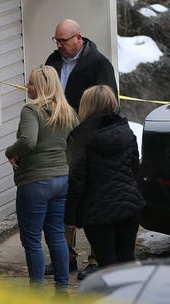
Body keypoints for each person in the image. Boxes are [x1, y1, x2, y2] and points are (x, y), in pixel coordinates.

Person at [44, 18, 118, 279]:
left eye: (63, 41)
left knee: (91, 199)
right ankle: (66, 258)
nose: (59, 45)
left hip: (88, 141)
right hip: (59, 140)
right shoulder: (52, 61)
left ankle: (97, 259)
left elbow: (109, 105)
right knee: (63, 200)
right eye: (56, 40)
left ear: (79, 38)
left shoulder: (98, 64)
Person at [5, 65, 78, 295]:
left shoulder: (31, 110)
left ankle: (36, 292)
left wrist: (10, 152)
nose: (27, 87)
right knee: (56, 234)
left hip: (36, 182)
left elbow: (28, 141)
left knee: (33, 240)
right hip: (61, 179)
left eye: (31, 83)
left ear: (42, 86)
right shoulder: (67, 111)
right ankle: (62, 290)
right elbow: (78, 140)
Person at [65, 85, 145, 270]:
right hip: (129, 208)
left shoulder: (80, 139)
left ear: (86, 106)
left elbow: (77, 181)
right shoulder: (126, 131)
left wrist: (71, 217)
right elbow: (135, 169)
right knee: (127, 263)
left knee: (108, 268)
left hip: (98, 212)